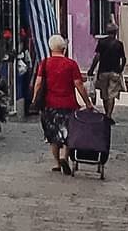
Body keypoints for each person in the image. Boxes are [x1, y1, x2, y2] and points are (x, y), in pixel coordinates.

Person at [30, 34, 91, 176]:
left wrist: (34, 99)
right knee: (68, 132)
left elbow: (38, 83)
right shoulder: (71, 64)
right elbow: (79, 84)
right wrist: (87, 102)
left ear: (50, 47)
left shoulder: (44, 63)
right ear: (64, 48)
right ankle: (65, 156)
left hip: (49, 105)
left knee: (53, 135)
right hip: (68, 104)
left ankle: (57, 163)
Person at [89, 26, 127, 121]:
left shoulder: (102, 43)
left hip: (103, 71)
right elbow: (123, 59)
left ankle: (106, 113)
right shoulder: (119, 44)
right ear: (116, 33)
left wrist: (91, 69)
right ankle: (109, 115)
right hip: (114, 71)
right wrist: (120, 69)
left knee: (104, 94)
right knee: (112, 94)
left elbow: (97, 57)